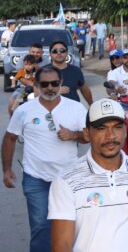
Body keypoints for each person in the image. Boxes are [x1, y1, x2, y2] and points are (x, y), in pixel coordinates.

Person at [48, 99, 128, 252]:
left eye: (117, 127)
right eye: (101, 128)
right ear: (87, 134)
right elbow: (62, 244)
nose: (111, 136)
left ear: (124, 130)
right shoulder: (65, 181)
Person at [2, 65, 88, 252]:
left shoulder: (75, 108)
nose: (50, 88)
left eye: (54, 83)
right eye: (45, 84)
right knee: (41, 227)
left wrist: (73, 135)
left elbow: (89, 136)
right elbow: (9, 138)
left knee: (71, 225)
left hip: (69, 179)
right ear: (36, 84)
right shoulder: (24, 110)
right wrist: (7, 170)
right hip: (36, 179)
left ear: (61, 83)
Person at [49, 41, 93, 105]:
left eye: (62, 50)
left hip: (74, 110)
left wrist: (91, 105)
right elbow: (37, 94)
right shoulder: (43, 72)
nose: (59, 53)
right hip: (51, 111)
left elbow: (84, 89)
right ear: (50, 54)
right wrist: (56, 92)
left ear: (67, 53)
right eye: (55, 51)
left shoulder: (76, 70)